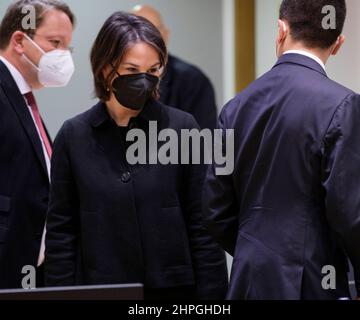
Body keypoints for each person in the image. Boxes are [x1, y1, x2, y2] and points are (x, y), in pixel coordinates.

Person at [44, 11, 228, 300]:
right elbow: (61, 233)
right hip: (100, 288)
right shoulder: (74, 136)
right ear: (105, 69)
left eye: (153, 71)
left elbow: (202, 226)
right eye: (131, 70)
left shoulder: (182, 128)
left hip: (175, 290)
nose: (143, 81)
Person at [203, 0, 360, 300]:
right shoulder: (343, 106)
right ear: (338, 43)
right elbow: (350, 213)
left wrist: (257, 251)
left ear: (281, 30)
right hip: (314, 281)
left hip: (248, 281)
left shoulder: (235, 107)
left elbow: (215, 210)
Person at [0, 0, 75, 289]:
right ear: (20, 40)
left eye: (68, 47)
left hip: (30, 269)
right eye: (55, 42)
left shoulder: (22, 98)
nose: (63, 56)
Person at [132, 5, 218, 130]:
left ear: (166, 34)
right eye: (135, 33)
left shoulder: (193, 81)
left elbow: (203, 141)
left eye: (152, 31)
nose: (143, 40)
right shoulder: (118, 77)